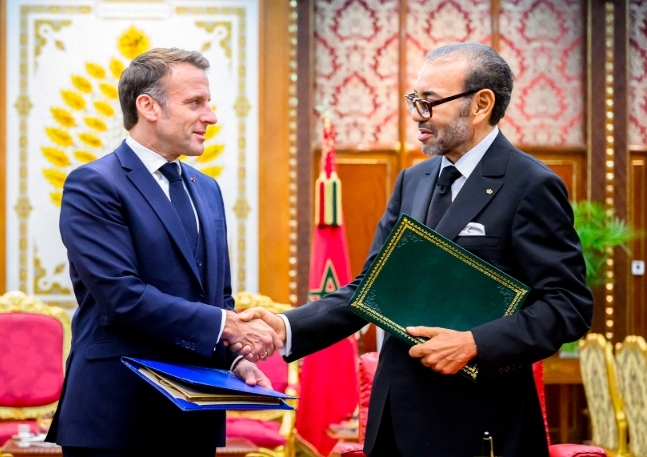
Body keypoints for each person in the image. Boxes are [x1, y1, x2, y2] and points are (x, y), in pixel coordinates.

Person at [239, 43, 593, 457]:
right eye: (414, 100)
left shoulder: (530, 184)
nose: (415, 115)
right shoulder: (414, 179)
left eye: (429, 102)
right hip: (395, 419)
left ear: (480, 104)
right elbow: (371, 288)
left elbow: (568, 306)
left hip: (479, 423)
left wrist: (475, 342)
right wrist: (284, 327)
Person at [45, 48, 282, 457]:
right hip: (116, 418)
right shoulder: (93, 185)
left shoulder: (206, 188)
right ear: (148, 106)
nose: (210, 116)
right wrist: (229, 327)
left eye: (208, 103)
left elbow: (216, 297)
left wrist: (233, 362)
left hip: (195, 415)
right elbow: (123, 297)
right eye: (195, 103)